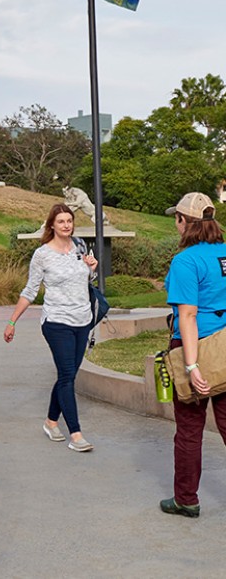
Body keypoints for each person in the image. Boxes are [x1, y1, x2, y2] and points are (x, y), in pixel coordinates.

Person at [3, 203, 98, 452]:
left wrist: (92, 269)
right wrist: (12, 321)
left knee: (68, 376)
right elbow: (30, 291)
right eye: (61, 221)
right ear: (52, 225)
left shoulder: (80, 245)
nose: (67, 225)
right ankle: (76, 434)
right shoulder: (42, 254)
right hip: (57, 322)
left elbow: (87, 279)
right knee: (67, 376)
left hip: (83, 319)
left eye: (70, 220)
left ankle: (50, 421)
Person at [160, 192, 226, 519]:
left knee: (189, 428)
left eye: (178, 218)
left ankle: (186, 499)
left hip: (197, 346)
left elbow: (187, 315)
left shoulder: (185, 261)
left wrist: (191, 364)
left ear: (185, 222)